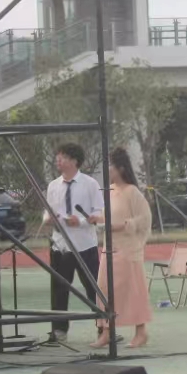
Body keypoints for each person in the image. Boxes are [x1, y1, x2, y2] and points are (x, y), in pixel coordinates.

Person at [87, 147, 152, 349]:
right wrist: (97, 218)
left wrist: (124, 225)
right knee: (103, 289)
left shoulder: (133, 192)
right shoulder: (110, 191)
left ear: (121, 168)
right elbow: (107, 216)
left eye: (111, 166)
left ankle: (141, 332)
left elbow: (145, 219)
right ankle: (106, 331)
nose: (108, 170)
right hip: (110, 249)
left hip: (128, 250)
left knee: (133, 291)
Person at [42, 143, 104, 343]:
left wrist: (82, 221)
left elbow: (99, 212)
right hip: (60, 244)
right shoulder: (53, 186)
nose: (58, 161)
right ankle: (59, 330)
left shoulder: (90, 184)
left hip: (84, 244)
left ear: (74, 161)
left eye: (62, 158)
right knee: (59, 288)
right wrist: (48, 219)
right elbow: (48, 210)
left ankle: (104, 328)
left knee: (93, 287)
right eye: (58, 157)